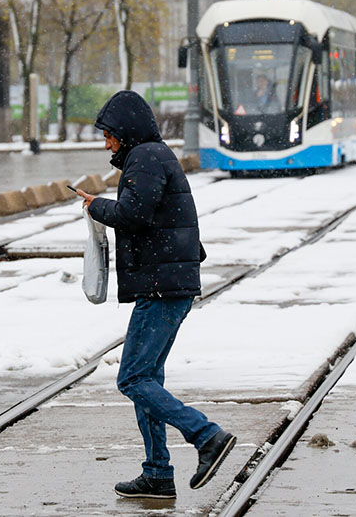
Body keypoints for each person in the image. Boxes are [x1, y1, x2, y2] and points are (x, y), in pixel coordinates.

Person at [73, 90, 236, 500]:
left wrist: (97, 207)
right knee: (148, 378)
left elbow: (134, 214)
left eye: (109, 134)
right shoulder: (149, 155)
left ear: (125, 132)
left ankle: (207, 436)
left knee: (133, 377)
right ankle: (158, 473)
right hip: (165, 281)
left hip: (162, 286)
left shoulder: (144, 157)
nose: (105, 142)